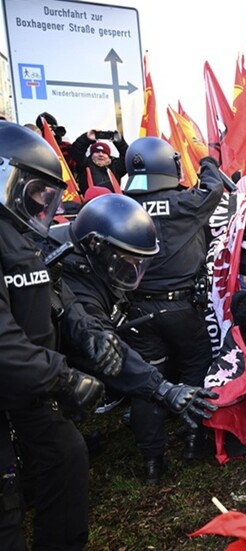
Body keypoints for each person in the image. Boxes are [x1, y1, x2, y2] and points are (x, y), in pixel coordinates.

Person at [0, 121, 110, 550]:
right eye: (37, 189)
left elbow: (56, 302)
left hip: (26, 386)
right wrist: (62, 377)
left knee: (66, 455)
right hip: (26, 376)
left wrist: (91, 337)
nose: (44, 203)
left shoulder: (19, 237)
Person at [49, 194, 219, 462]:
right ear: (97, 247)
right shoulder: (74, 275)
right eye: (126, 261)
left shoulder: (87, 265)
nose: (131, 270)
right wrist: (162, 388)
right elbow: (94, 332)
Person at [122, 137, 226, 484]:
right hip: (183, 306)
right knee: (196, 367)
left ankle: (153, 462)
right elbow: (213, 191)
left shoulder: (122, 205)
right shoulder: (185, 202)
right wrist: (209, 163)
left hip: (138, 312)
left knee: (147, 383)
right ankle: (195, 440)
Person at [68, 129, 129, 195]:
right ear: (91, 155)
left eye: (104, 153)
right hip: (90, 203)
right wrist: (86, 138)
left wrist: (120, 142)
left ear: (109, 156)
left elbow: (128, 157)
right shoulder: (84, 164)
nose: (100, 154)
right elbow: (76, 152)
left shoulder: (116, 167)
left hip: (113, 203)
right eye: (97, 152)